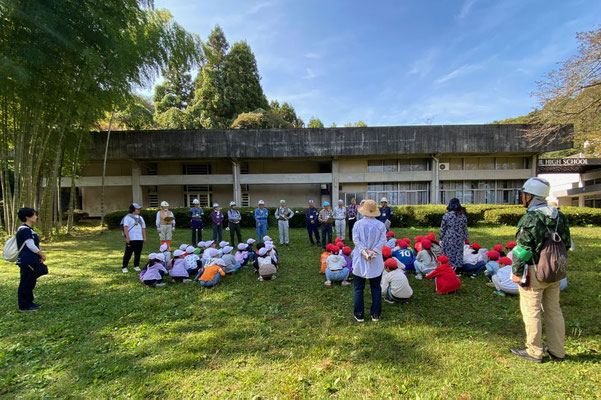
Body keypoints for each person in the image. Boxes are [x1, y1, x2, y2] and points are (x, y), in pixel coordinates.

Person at [509, 177, 571, 363]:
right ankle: (557, 351)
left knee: (532, 311)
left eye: (524, 194)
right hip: (555, 270)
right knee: (554, 310)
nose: (522, 198)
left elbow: (523, 250)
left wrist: (516, 272)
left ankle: (534, 351)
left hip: (534, 271)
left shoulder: (530, 218)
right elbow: (566, 243)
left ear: (530, 196)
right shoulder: (559, 216)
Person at [351, 199, 387, 323]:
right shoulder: (381, 226)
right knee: (376, 287)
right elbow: (382, 241)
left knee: (358, 288)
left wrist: (364, 251)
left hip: (361, 258)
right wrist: (373, 252)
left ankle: (359, 314)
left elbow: (356, 240)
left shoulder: (358, 224)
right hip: (375, 259)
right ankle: (375, 314)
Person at [15, 208, 47, 312]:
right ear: (27, 217)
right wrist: (41, 254)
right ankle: (24, 305)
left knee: (30, 281)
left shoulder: (28, 229)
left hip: (31, 259)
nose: (36, 217)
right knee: (26, 282)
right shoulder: (24, 229)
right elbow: (30, 245)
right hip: (27, 260)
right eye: (34, 215)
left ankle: (30, 302)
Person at [440, 198, 468, 271]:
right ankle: (458, 269)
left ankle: (448, 267)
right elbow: (465, 228)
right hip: (459, 236)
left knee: (448, 251)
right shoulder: (462, 216)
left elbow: (443, 228)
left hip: (449, 236)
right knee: (458, 252)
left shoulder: (447, 215)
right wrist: (466, 238)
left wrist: (441, 238)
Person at [122, 203, 146, 273]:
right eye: (137, 209)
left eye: (139, 209)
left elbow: (143, 228)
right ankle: (124, 266)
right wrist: (127, 238)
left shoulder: (140, 218)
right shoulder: (127, 217)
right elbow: (125, 228)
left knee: (138, 253)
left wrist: (144, 237)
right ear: (133, 209)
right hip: (131, 239)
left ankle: (136, 265)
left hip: (139, 238)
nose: (139, 210)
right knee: (128, 253)